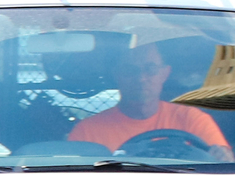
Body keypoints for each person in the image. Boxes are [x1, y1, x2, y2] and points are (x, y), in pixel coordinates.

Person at [69, 35, 233, 158]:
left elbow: (223, 165)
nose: (141, 78)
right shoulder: (87, 133)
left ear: (165, 73)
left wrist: (223, 156)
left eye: (150, 69)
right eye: (130, 70)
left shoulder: (192, 120)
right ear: (117, 75)